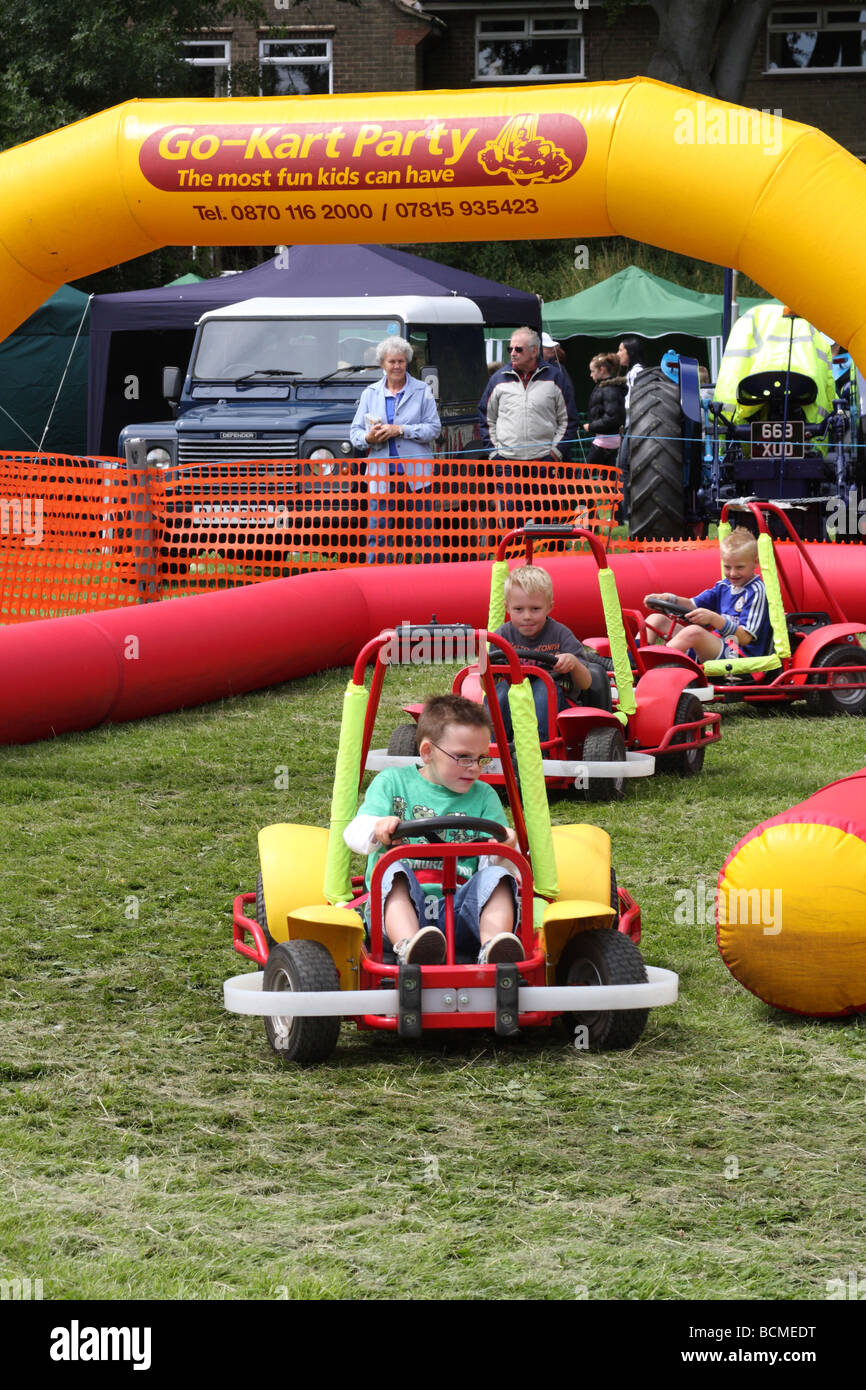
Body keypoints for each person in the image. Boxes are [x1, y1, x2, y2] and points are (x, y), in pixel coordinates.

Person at [343, 694, 523, 966]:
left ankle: (493, 948)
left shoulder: (484, 795)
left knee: (498, 877)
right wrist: (376, 826)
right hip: (399, 912)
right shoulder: (392, 783)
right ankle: (408, 947)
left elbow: (495, 868)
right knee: (392, 870)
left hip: (462, 912)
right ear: (427, 752)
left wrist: (505, 849)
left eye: (481, 758)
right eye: (463, 757)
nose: (474, 768)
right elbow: (354, 834)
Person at [493, 564, 613, 740]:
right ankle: (495, 747)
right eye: (519, 609)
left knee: (543, 688)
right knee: (500, 691)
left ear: (549, 607)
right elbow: (486, 685)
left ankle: (543, 748)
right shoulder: (501, 636)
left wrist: (573, 663)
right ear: (507, 608)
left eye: (535, 609)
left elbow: (587, 683)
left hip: (555, 700)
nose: (527, 616)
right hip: (514, 697)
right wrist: (485, 668)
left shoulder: (560, 634)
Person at [349, 336, 441, 563]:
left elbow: (434, 429)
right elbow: (355, 434)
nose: (397, 366)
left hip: (417, 477)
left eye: (401, 361)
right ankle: (376, 583)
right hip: (380, 477)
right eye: (392, 362)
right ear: (383, 364)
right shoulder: (369, 393)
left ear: (407, 362)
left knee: (424, 534)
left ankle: (433, 581)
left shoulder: (422, 391)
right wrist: (368, 437)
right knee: (378, 536)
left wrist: (401, 430)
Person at [643, 526, 772, 661]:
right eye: (727, 567)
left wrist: (713, 619)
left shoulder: (756, 591)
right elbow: (693, 604)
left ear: (755, 562)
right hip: (717, 645)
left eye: (740, 567)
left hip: (739, 655)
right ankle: (632, 664)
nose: (733, 573)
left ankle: (650, 665)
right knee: (656, 619)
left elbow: (745, 638)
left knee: (694, 632)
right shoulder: (724, 586)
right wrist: (669, 598)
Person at [478, 326, 579, 463]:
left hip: (544, 464)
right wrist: (495, 453)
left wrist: (555, 453)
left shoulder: (556, 378)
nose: (513, 353)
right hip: (506, 464)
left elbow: (568, 420)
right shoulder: (497, 379)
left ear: (534, 351)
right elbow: (486, 419)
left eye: (518, 349)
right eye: (510, 349)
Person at [582, 352, 626, 467]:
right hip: (607, 440)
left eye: (592, 371)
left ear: (602, 369)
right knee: (609, 479)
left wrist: (591, 426)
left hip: (605, 442)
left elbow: (612, 417)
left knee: (583, 476)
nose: (591, 375)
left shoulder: (609, 390)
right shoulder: (606, 387)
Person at [616, 335, 646, 411]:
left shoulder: (637, 371)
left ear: (630, 352)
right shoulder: (632, 371)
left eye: (620, 350)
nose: (617, 354)